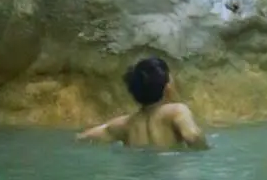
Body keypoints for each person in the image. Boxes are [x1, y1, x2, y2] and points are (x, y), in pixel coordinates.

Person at [77, 55, 208, 149]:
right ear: (167, 88)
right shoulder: (176, 111)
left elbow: (84, 137)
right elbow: (193, 136)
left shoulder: (125, 124)